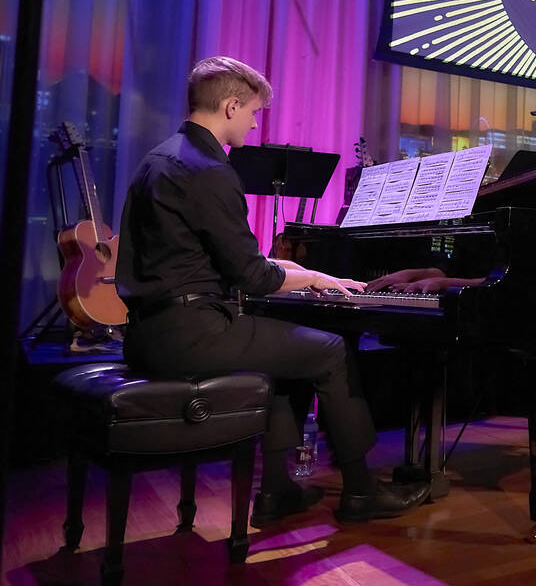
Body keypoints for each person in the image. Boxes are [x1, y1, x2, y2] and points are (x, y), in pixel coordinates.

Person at [116, 55, 430, 526]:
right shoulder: (208, 169)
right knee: (331, 352)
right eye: (252, 112)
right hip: (191, 334)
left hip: (148, 332)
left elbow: (238, 260)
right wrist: (317, 278)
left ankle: (277, 489)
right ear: (229, 105)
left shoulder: (161, 158)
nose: (254, 123)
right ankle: (362, 491)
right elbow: (255, 277)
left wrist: (308, 274)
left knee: (283, 356)